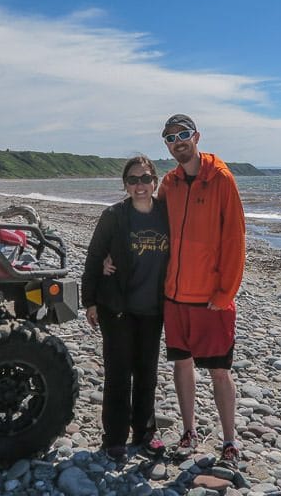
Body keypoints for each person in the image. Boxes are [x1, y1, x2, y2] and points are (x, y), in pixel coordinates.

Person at [157, 114, 246, 468]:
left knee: (219, 370)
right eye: (170, 137)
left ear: (196, 136)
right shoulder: (170, 182)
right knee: (182, 365)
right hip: (175, 295)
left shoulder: (221, 179)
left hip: (211, 299)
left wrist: (225, 293)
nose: (178, 141)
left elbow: (235, 239)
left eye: (183, 134)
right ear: (166, 144)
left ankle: (229, 442)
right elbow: (146, 223)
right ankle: (189, 431)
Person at [81, 155, 169, 461]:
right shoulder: (114, 216)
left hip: (153, 309)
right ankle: (114, 438)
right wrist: (89, 301)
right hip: (117, 307)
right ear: (125, 185)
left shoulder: (166, 215)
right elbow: (94, 257)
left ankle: (145, 434)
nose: (140, 185)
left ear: (155, 182)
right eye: (133, 180)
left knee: (147, 374)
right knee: (118, 373)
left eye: (145, 179)